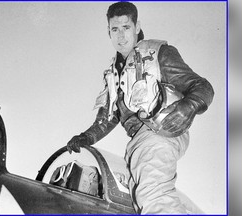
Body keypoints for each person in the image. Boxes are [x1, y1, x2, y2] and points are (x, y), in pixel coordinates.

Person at [66, 2, 214, 214]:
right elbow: (108, 118)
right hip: (138, 143)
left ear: (137, 27)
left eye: (126, 27)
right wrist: (85, 138)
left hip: (159, 132)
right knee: (141, 201)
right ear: (109, 31)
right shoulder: (113, 74)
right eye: (114, 29)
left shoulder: (157, 54)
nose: (121, 36)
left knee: (152, 197)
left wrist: (189, 106)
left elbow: (202, 87)